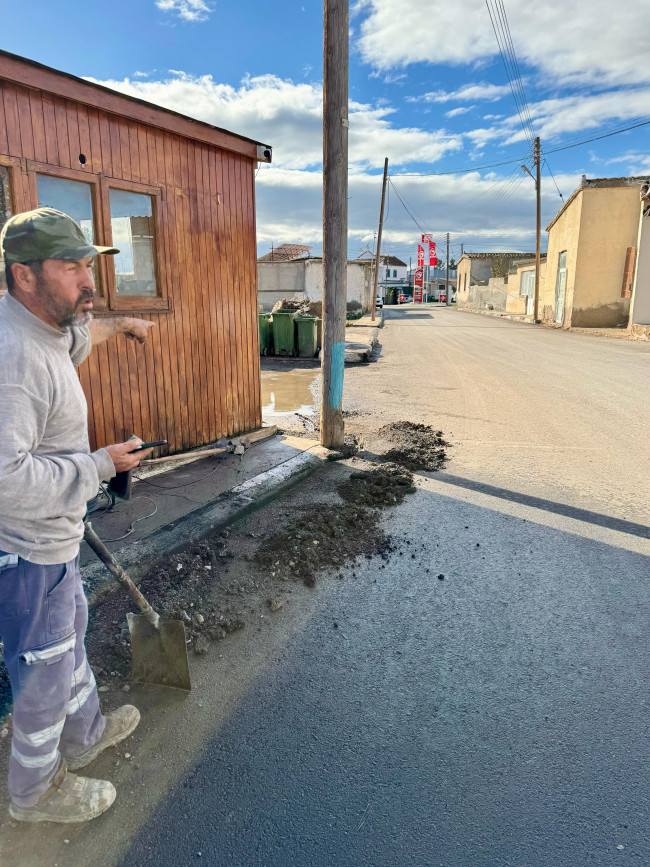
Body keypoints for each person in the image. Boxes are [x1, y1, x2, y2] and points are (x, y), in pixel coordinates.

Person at [0, 207, 156, 823]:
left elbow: (74, 340)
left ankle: (85, 734)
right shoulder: (12, 361)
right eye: (71, 267)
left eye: (88, 264)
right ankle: (33, 795)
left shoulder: (43, 325)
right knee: (42, 668)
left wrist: (124, 326)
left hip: (55, 536)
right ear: (25, 275)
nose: (87, 281)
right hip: (27, 549)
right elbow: (5, 479)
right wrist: (97, 466)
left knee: (67, 643)